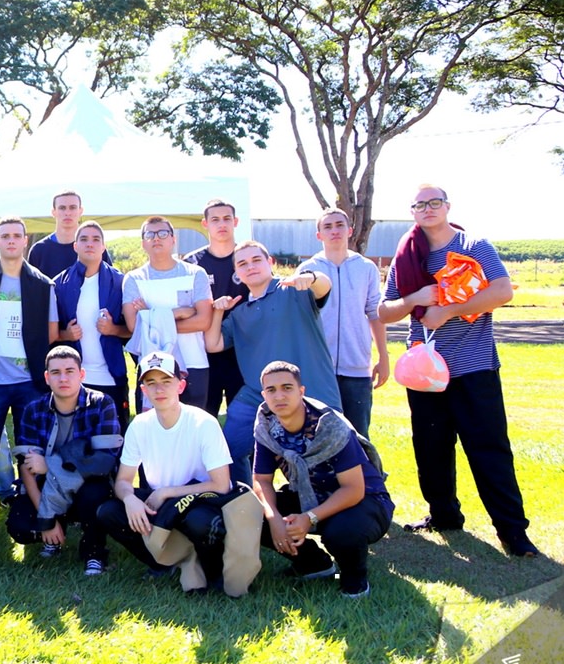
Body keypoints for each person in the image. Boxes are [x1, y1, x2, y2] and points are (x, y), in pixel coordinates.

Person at [379, 184, 538, 557]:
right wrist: (415, 299)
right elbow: (385, 312)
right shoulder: (407, 254)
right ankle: (444, 515)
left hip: (473, 366)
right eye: (420, 204)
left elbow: (502, 291)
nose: (428, 208)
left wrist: (448, 311)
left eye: (435, 202)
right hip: (424, 372)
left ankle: (513, 532)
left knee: (488, 449)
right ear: (413, 211)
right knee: (431, 449)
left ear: (447, 206)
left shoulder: (473, 246)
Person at [96, 352, 261, 596]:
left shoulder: (203, 422)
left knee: (199, 522)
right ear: (143, 390)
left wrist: (167, 492)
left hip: (200, 501)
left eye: (166, 381)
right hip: (161, 505)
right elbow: (123, 481)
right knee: (109, 512)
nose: (159, 389)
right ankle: (163, 564)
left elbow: (221, 484)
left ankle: (211, 570)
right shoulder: (139, 425)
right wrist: (130, 499)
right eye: (151, 383)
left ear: (181, 385)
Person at [203, 240, 340, 488]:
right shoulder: (240, 312)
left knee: (325, 466)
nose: (250, 267)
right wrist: (218, 311)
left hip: (311, 393)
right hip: (257, 395)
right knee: (228, 451)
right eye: (243, 263)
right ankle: (243, 502)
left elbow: (324, 286)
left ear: (270, 262)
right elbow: (213, 344)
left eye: (257, 260)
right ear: (237, 273)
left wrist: (311, 277)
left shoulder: (294, 290)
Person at [252, 361, 393, 598]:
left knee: (340, 532)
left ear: (301, 391)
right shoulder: (266, 424)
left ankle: (354, 580)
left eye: (287, 388)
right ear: (264, 395)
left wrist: (309, 517)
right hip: (309, 493)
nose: (279, 396)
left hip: (364, 500)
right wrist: (274, 519)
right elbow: (261, 480)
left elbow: (354, 489)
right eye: (271, 390)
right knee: (247, 511)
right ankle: (314, 564)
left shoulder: (329, 425)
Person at [0, 216, 58, 499]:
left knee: (32, 446)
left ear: (25, 241)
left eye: (17, 235)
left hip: (31, 381)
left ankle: (31, 501)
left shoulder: (43, 285)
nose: (11, 241)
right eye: (5, 236)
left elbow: (52, 332)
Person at [9, 346, 127, 576]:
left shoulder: (102, 404)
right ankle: (53, 532)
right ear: (47, 377)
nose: (63, 378)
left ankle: (94, 552)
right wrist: (46, 518)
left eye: (69, 371)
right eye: (56, 372)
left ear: (81, 374)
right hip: (48, 486)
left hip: (88, 484)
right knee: (20, 526)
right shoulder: (34, 409)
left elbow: (103, 462)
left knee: (95, 493)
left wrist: (50, 464)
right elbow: (27, 467)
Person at [295, 207, 390, 438]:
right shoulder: (307, 270)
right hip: (319, 369)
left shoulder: (366, 268)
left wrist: (383, 357)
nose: (334, 231)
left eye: (339, 225)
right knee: (317, 436)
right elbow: (297, 319)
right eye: (327, 227)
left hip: (357, 367)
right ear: (319, 235)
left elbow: (374, 313)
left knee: (358, 436)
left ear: (350, 230)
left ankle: (363, 465)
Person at [122, 215, 213, 411]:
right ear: (143, 243)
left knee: (192, 424)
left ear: (173, 239)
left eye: (163, 233)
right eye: (150, 235)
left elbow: (204, 321)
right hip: (152, 366)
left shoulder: (196, 273)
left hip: (193, 363)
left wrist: (151, 317)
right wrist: (178, 312)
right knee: (154, 425)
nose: (156, 238)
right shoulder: (134, 279)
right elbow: (134, 325)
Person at [54, 221, 132, 428]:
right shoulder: (59, 284)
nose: (90, 244)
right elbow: (49, 332)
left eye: (96, 239)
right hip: (74, 379)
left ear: (104, 246)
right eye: (84, 239)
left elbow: (133, 330)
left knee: (115, 437)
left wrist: (113, 329)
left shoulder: (120, 282)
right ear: (75, 246)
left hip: (111, 377)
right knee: (75, 439)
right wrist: (66, 334)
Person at [184, 199, 243, 419]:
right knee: (203, 415)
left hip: (242, 350)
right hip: (203, 351)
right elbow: (185, 304)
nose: (222, 224)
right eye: (215, 219)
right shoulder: (192, 263)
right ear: (205, 224)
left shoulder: (248, 258)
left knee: (243, 418)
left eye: (227, 218)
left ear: (235, 222)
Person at [27, 190, 84, 278]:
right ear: (53, 212)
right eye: (62, 208)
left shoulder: (94, 248)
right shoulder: (38, 250)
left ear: (80, 211)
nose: (67, 213)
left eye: (72, 207)